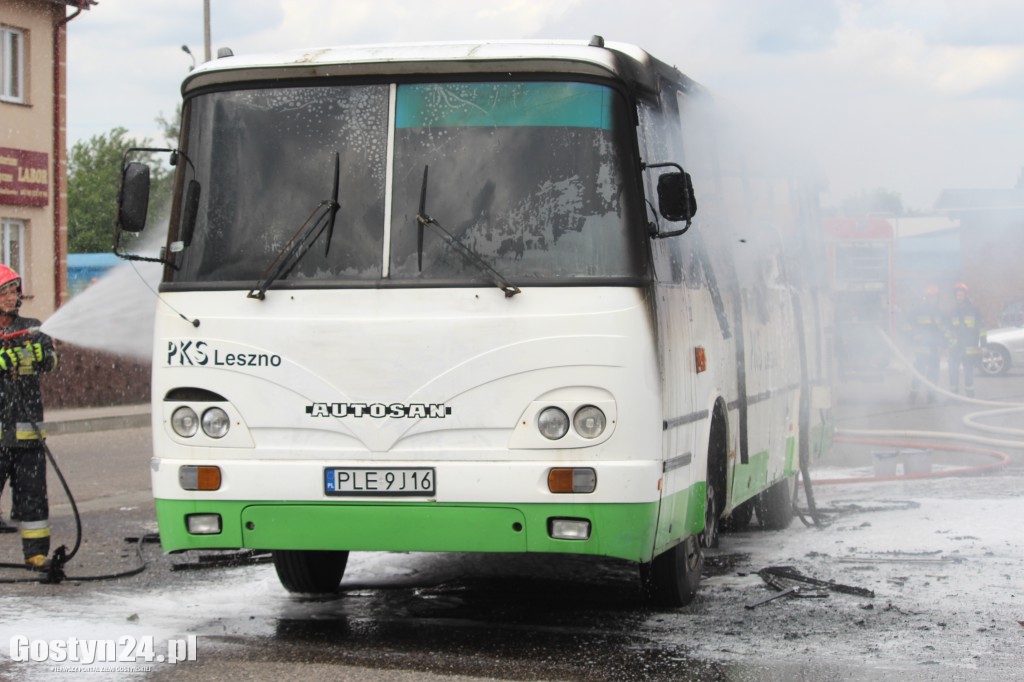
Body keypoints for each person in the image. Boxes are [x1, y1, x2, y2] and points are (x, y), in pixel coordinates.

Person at [0, 265, 59, 569]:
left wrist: (39, 356)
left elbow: (51, 361)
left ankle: (36, 555)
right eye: (5, 292)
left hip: (28, 436)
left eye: (14, 290)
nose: (12, 297)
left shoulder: (32, 328)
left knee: (33, 500)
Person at [906, 285, 946, 404]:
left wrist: (943, 344)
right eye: (931, 297)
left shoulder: (939, 312)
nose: (933, 299)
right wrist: (914, 335)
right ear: (927, 298)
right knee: (919, 372)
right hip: (921, 348)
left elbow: (943, 329)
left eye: (935, 297)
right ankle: (913, 394)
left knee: (933, 372)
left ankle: (931, 395)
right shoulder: (917, 310)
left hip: (934, 348)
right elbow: (906, 325)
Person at [948, 282, 982, 398]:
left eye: (961, 295)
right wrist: (947, 342)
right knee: (953, 373)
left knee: (968, 373)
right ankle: (954, 397)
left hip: (969, 347)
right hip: (955, 348)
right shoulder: (952, 310)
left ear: (966, 295)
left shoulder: (974, 310)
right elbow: (948, 329)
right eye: (957, 295)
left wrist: (983, 344)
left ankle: (970, 396)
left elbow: (981, 328)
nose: (959, 297)